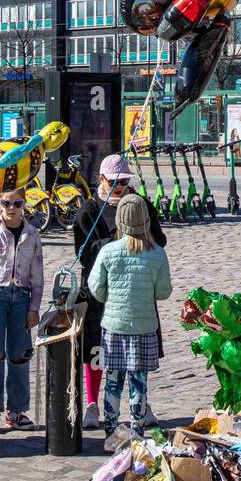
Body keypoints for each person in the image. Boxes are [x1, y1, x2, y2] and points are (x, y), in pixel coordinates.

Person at [73, 153, 166, 429]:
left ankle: (141, 405)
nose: (120, 186)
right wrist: (115, 247)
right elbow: (83, 253)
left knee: (138, 351)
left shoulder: (141, 205)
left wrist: (140, 240)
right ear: (101, 179)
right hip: (100, 289)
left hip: (135, 288)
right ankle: (92, 404)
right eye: (114, 181)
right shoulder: (89, 209)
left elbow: (160, 239)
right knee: (97, 349)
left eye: (124, 180)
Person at [87, 194, 172, 439]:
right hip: (144, 326)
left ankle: (111, 433)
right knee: (139, 382)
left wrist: (109, 299)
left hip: (114, 326)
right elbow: (164, 292)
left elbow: (96, 288)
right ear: (146, 221)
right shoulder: (157, 253)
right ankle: (136, 431)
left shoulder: (108, 251)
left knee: (113, 381)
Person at [0, 187, 44, 434]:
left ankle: (16, 411)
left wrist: (34, 307)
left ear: (24, 204)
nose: (11, 208)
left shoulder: (32, 234)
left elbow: (37, 274)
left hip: (21, 297)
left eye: (17, 203)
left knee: (19, 355)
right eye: (6, 203)